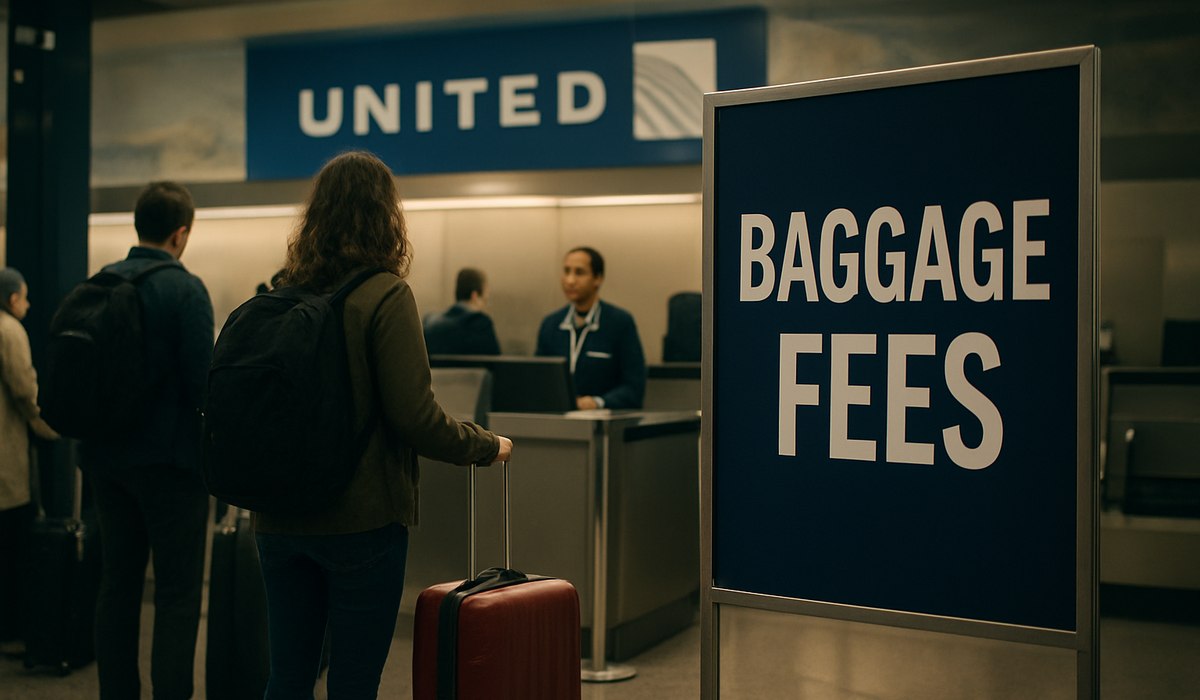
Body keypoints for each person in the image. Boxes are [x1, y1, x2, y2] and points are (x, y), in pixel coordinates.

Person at [253, 150, 513, 700]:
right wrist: (486, 445)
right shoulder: (385, 294)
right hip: (360, 521)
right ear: (385, 215)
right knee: (352, 681)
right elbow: (416, 417)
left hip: (278, 515)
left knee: (288, 674)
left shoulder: (281, 293)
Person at [83, 182, 215, 700]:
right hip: (171, 467)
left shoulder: (99, 283)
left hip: (104, 462)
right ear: (181, 234)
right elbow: (202, 383)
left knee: (117, 585)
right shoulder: (185, 290)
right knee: (178, 595)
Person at [0, 268, 58, 656]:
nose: (28, 303)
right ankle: (11, 631)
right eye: (24, 296)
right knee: (11, 547)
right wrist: (52, 427)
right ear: (12, 298)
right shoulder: (9, 331)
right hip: (5, 456)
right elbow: (25, 389)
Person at [536, 246, 646, 409]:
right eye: (566, 271)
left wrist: (597, 402)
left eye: (579, 273)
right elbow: (538, 379)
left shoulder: (620, 323)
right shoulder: (551, 324)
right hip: (555, 420)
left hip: (604, 423)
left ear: (597, 278)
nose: (570, 280)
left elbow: (634, 388)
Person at [422, 267, 502, 355]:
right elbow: (496, 363)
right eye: (484, 300)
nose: (484, 306)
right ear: (474, 296)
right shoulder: (481, 324)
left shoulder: (430, 322)